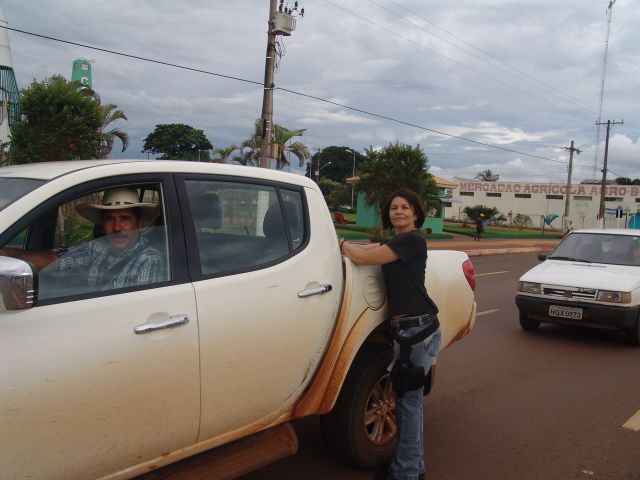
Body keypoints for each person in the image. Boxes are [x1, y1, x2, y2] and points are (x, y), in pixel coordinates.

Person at [339, 187, 441, 480]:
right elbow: (367, 250)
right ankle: (411, 467)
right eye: (394, 208)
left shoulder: (412, 240)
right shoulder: (397, 242)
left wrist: (340, 242)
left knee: (408, 405)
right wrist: (346, 245)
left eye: (405, 207)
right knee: (409, 403)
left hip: (417, 331)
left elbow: (362, 258)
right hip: (410, 331)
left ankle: (406, 473)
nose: (399, 212)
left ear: (416, 213)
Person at [0, 188, 165, 292]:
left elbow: (137, 311)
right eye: (109, 219)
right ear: (102, 226)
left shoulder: (149, 259)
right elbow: (57, 260)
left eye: (125, 218)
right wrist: (8, 254)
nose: (117, 227)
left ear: (139, 224)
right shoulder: (97, 248)